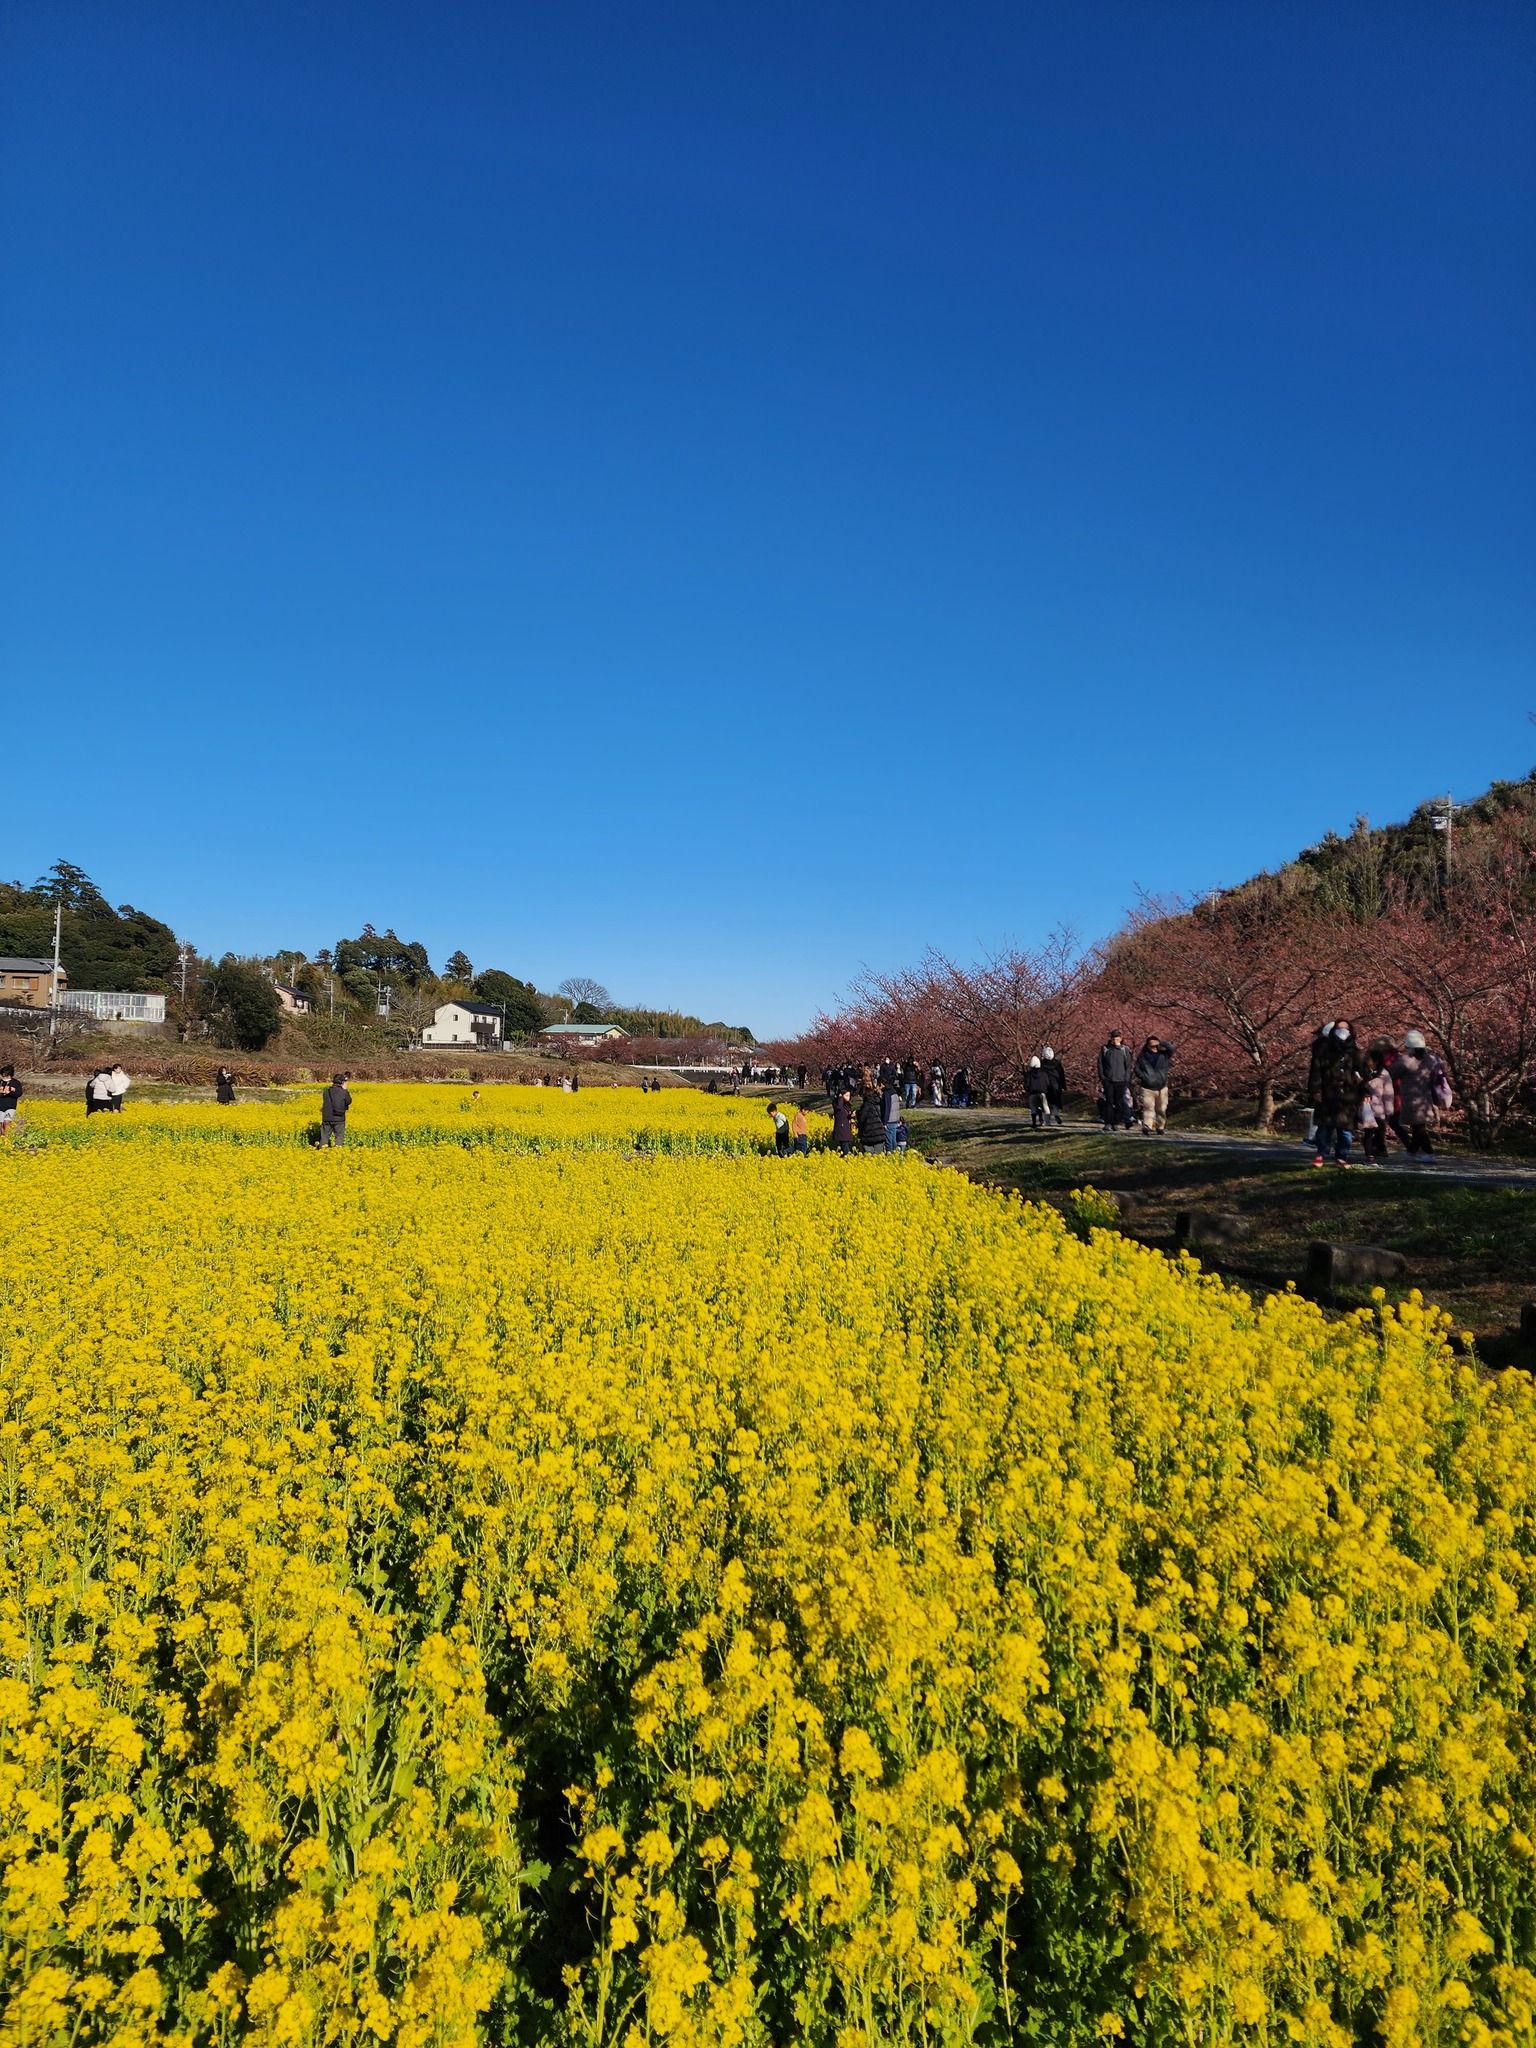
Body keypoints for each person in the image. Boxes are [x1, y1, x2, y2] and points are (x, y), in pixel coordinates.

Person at [1389, 1030, 1451, 1160]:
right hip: (1427, 1096)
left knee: (1418, 1126)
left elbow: (1392, 1073)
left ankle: (1429, 1152)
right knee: (1418, 1125)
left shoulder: (1405, 1060)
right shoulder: (1432, 1059)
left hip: (1410, 1097)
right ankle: (1411, 1151)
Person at [1311, 1022, 1364, 1167]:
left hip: (1348, 1096)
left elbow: (1362, 1071)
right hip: (1328, 1093)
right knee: (1325, 1127)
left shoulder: (1354, 1052)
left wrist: (1360, 1082)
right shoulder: (1324, 1051)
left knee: (1345, 1129)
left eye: (1346, 1029)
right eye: (1340, 1028)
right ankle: (1321, 1153)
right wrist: (1316, 1090)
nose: (1343, 1031)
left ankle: (1342, 1156)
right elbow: (1316, 1071)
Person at [1358, 1047, 1395, 1165]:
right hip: (1366, 1106)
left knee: (1380, 1131)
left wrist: (1389, 1110)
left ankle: (1378, 1149)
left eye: (1369, 1059)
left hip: (1379, 1108)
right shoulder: (1362, 1072)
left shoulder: (1384, 1074)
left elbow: (1388, 1094)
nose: (1367, 1061)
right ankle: (1369, 1155)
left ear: (1376, 1061)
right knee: (1369, 1132)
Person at [1133, 1036, 1175, 1135]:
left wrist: (1161, 1043)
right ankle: (1147, 1126)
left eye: (1155, 1045)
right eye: (1151, 1045)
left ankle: (1160, 1127)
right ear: (1147, 1045)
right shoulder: (1143, 1056)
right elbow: (1137, 1069)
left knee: (1161, 1109)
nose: (1154, 1047)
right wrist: (1144, 1077)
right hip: (1147, 1086)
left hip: (1162, 1086)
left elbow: (1171, 1048)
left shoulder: (1164, 1054)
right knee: (1148, 1108)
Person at [1303, 1023, 1336, 1147]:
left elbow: (1316, 1070)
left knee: (1322, 1114)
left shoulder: (1320, 1047)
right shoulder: (1331, 1047)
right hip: (1333, 1086)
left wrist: (1314, 1088)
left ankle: (1320, 1140)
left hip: (1324, 1086)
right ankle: (1325, 1140)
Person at [1097, 1032, 1133, 1131]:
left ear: (1121, 1039)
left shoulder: (1124, 1050)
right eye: (1113, 1039)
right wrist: (1102, 1077)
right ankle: (1108, 1122)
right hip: (1108, 1080)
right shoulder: (1105, 1049)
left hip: (1121, 1080)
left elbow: (1128, 1066)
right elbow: (1100, 1064)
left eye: (1117, 1039)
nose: (1115, 1041)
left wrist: (1126, 1079)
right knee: (1109, 1101)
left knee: (1119, 1102)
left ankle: (1116, 1122)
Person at [320, 1072, 352, 1147]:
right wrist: (345, 1090)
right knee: (339, 1136)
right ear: (342, 1082)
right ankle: (338, 1150)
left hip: (326, 1118)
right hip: (339, 1118)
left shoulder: (326, 1091)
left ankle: (323, 1150)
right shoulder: (343, 1092)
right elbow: (349, 1101)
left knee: (324, 1136)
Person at [856, 1085, 887, 1154]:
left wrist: (857, 1114)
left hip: (869, 1134)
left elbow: (862, 1119)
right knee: (879, 1155)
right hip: (879, 1133)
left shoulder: (866, 1105)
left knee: (869, 1155)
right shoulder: (877, 1102)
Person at [1041, 1046, 1066, 1126]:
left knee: (1045, 1103)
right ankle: (1056, 1114)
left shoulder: (1041, 1064)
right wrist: (1063, 1086)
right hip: (1056, 1085)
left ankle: (1047, 1120)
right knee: (1056, 1101)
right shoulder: (1057, 1064)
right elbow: (1062, 1075)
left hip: (1045, 1085)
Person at [1026, 1056, 1051, 1129]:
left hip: (1032, 1093)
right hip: (1042, 1093)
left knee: (1033, 1107)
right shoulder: (1044, 1074)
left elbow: (1027, 1084)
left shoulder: (1029, 1074)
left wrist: (1028, 1090)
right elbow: (1047, 1083)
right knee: (1045, 1106)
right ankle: (1046, 1121)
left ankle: (1034, 1123)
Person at [832, 1085, 855, 1156]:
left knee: (845, 1148)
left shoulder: (846, 1105)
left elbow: (846, 1115)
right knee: (845, 1149)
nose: (848, 1097)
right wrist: (840, 1097)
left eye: (849, 1095)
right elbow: (839, 1108)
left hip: (846, 1129)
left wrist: (852, 1115)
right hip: (842, 1130)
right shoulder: (837, 1104)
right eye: (846, 1095)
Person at [881, 1075, 902, 1152]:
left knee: (889, 1142)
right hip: (895, 1120)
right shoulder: (894, 1092)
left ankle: (890, 1156)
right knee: (893, 1141)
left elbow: (887, 1108)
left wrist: (884, 1122)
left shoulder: (887, 1093)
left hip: (889, 1121)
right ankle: (895, 1155)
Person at [0, 1064, 22, 1136]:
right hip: (0, 1106)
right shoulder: (0, 1082)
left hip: (10, 1106)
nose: (3, 1077)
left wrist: (10, 1092)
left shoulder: (16, 1083)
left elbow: (19, 1094)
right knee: (0, 1124)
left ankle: (7, 1138)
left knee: (6, 1122)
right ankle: (2, 1138)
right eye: (2, 1075)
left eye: (5, 1075)